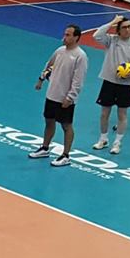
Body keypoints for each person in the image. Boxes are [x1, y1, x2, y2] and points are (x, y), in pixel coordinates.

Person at [90, 14, 130, 155]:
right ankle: (103, 139)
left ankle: (117, 143)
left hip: (126, 85)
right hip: (109, 82)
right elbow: (96, 35)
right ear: (118, 29)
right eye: (124, 27)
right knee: (104, 113)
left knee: (122, 114)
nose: (127, 30)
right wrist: (112, 21)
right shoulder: (111, 41)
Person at [32, 24, 88, 166]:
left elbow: (78, 80)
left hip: (65, 98)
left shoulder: (80, 56)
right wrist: (41, 79)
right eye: (65, 34)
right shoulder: (59, 51)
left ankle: (66, 155)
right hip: (52, 94)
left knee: (66, 126)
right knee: (49, 121)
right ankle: (45, 148)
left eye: (68, 35)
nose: (65, 37)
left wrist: (70, 97)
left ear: (76, 37)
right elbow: (49, 65)